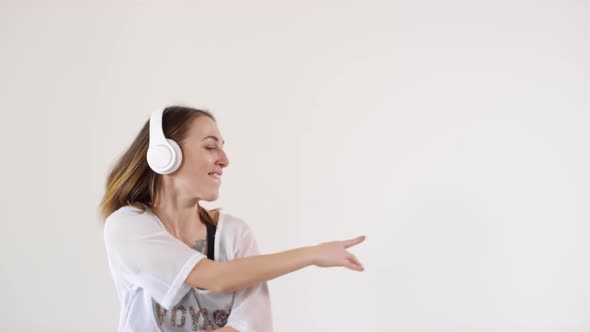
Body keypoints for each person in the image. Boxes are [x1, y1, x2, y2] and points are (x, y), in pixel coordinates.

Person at [99, 105, 366, 332]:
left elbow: (252, 326)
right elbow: (215, 277)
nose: (224, 160)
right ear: (165, 155)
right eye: (210, 147)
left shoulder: (235, 234)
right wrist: (312, 254)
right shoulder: (128, 226)